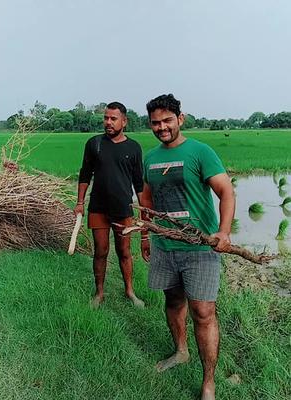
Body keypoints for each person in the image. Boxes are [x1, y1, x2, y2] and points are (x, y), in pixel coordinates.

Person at [141, 94, 235, 400]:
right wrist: (146, 234)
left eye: (167, 120)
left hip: (200, 246)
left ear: (180, 119)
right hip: (165, 246)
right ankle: (181, 351)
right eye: (156, 122)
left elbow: (226, 192)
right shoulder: (151, 158)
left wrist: (223, 232)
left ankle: (209, 382)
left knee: (204, 311)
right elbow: (146, 200)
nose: (162, 127)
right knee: (173, 300)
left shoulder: (200, 152)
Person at [74, 101, 144, 308]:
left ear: (124, 121)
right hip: (98, 207)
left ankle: (130, 291)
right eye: (106, 118)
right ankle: (99, 293)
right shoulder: (94, 144)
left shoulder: (133, 148)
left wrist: (144, 212)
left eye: (113, 119)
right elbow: (85, 175)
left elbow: (139, 183)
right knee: (100, 251)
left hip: (123, 208)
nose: (108, 122)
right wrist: (80, 203)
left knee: (124, 252)